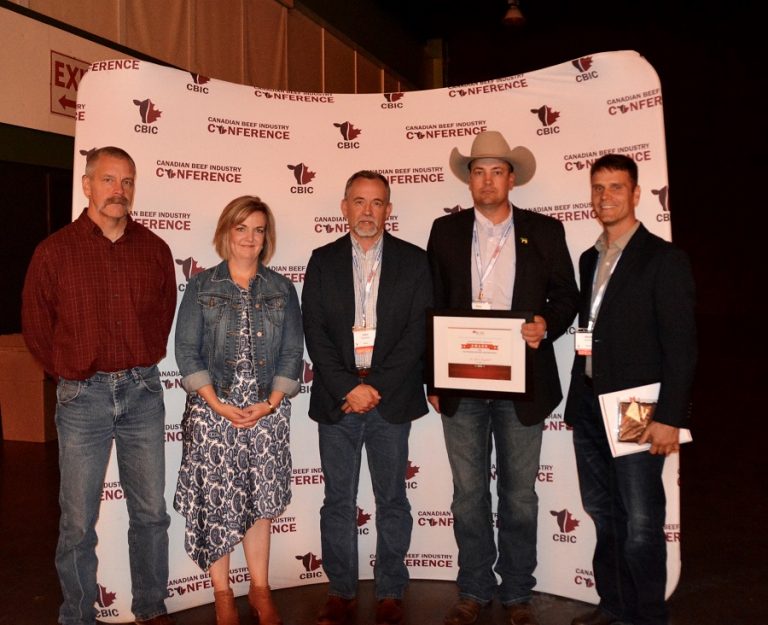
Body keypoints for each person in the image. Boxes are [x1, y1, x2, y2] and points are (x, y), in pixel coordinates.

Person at [427, 131, 579, 625]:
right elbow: (430, 308)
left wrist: (547, 325)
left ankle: (516, 592)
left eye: (496, 171)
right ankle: (474, 588)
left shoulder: (545, 230)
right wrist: (433, 379)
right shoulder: (444, 231)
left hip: (524, 384)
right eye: (478, 171)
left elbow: (566, 297)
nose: (486, 180)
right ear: (468, 180)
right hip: (461, 384)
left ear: (512, 179)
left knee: (519, 495)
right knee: (468, 494)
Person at [21, 146, 176, 625]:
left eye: (127, 181)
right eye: (108, 180)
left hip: (142, 394)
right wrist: (70, 371)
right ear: (86, 185)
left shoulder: (154, 249)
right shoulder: (54, 251)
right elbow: (35, 325)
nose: (119, 191)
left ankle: (151, 609)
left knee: (151, 514)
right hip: (81, 398)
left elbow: (164, 312)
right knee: (77, 522)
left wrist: (137, 360)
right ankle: (77, 615)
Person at [564, 154, 696, 625]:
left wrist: (670, 417)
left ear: (636, 194)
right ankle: (615, 606)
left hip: (638, 408)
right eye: (598, 188)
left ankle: (647, 617)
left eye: (616, 188)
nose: (605, 197)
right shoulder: (588, 258)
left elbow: (681, 347)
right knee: (604, 513)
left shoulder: (664, 259)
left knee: (641, 523)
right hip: (589, 405)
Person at [302, 171, 432, 625]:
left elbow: (417, 334)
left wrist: (373, 386)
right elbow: (314, 332)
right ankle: (340, 591)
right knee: (338, 500)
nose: (367, 212)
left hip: (389, 400)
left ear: (388, 211)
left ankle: (391, 590)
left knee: (392, 498)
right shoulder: (321, 261)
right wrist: (348, 387)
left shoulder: (415, 263)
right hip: (338, 399)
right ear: (344, 207)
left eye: (377, 203)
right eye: (359, 201)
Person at [174, 196, 303, 625]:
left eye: (259, 230)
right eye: (242, 228)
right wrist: (217, 405)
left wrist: (269, 404)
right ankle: (223, 594)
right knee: (218, 503)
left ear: (267, 237)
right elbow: (187, 353)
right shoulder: (201, 286)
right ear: (226, 231)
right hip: (213, 413)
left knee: (260, 502)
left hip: (266, 412)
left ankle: (260, 589)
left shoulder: (282, 288)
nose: (250, 238)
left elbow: (291, 353)